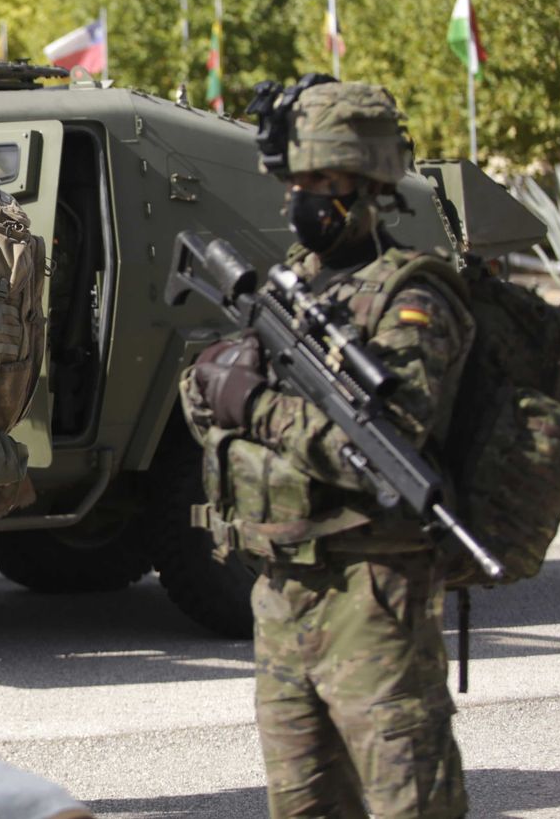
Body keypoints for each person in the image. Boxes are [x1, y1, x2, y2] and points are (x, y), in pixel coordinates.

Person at [180, 78, 473, 818]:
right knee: (302, 805)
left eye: (325, 183)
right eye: (298, 182)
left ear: (371, 187)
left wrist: (254, 404)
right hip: (282, 587)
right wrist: (211, 386)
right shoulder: (295, 284)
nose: (304, 199)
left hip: (373, 593)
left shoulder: (412, 300)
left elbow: (373, 450)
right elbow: (213, 401)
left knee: (411, 803)